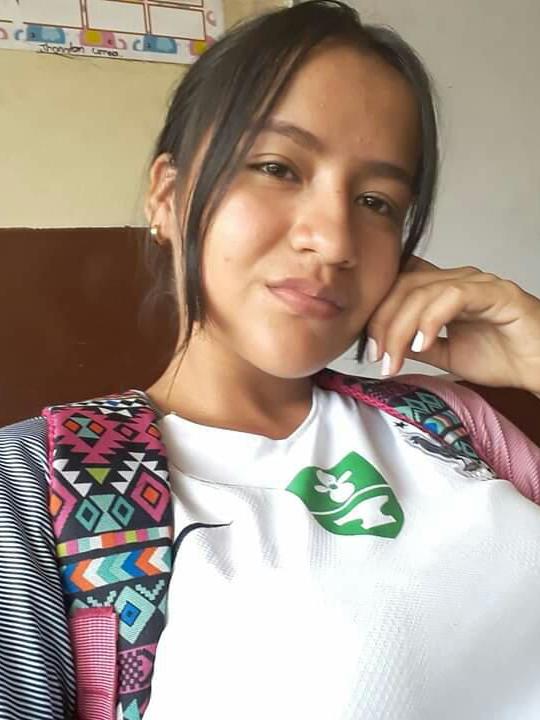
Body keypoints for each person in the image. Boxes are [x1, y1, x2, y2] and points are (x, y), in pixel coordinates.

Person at [1, 2, 540, 719]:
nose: (334, 240)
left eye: (376, 201)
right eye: (277, 167)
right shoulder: (38, 487)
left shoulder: (446, 422)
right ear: (167, 195)